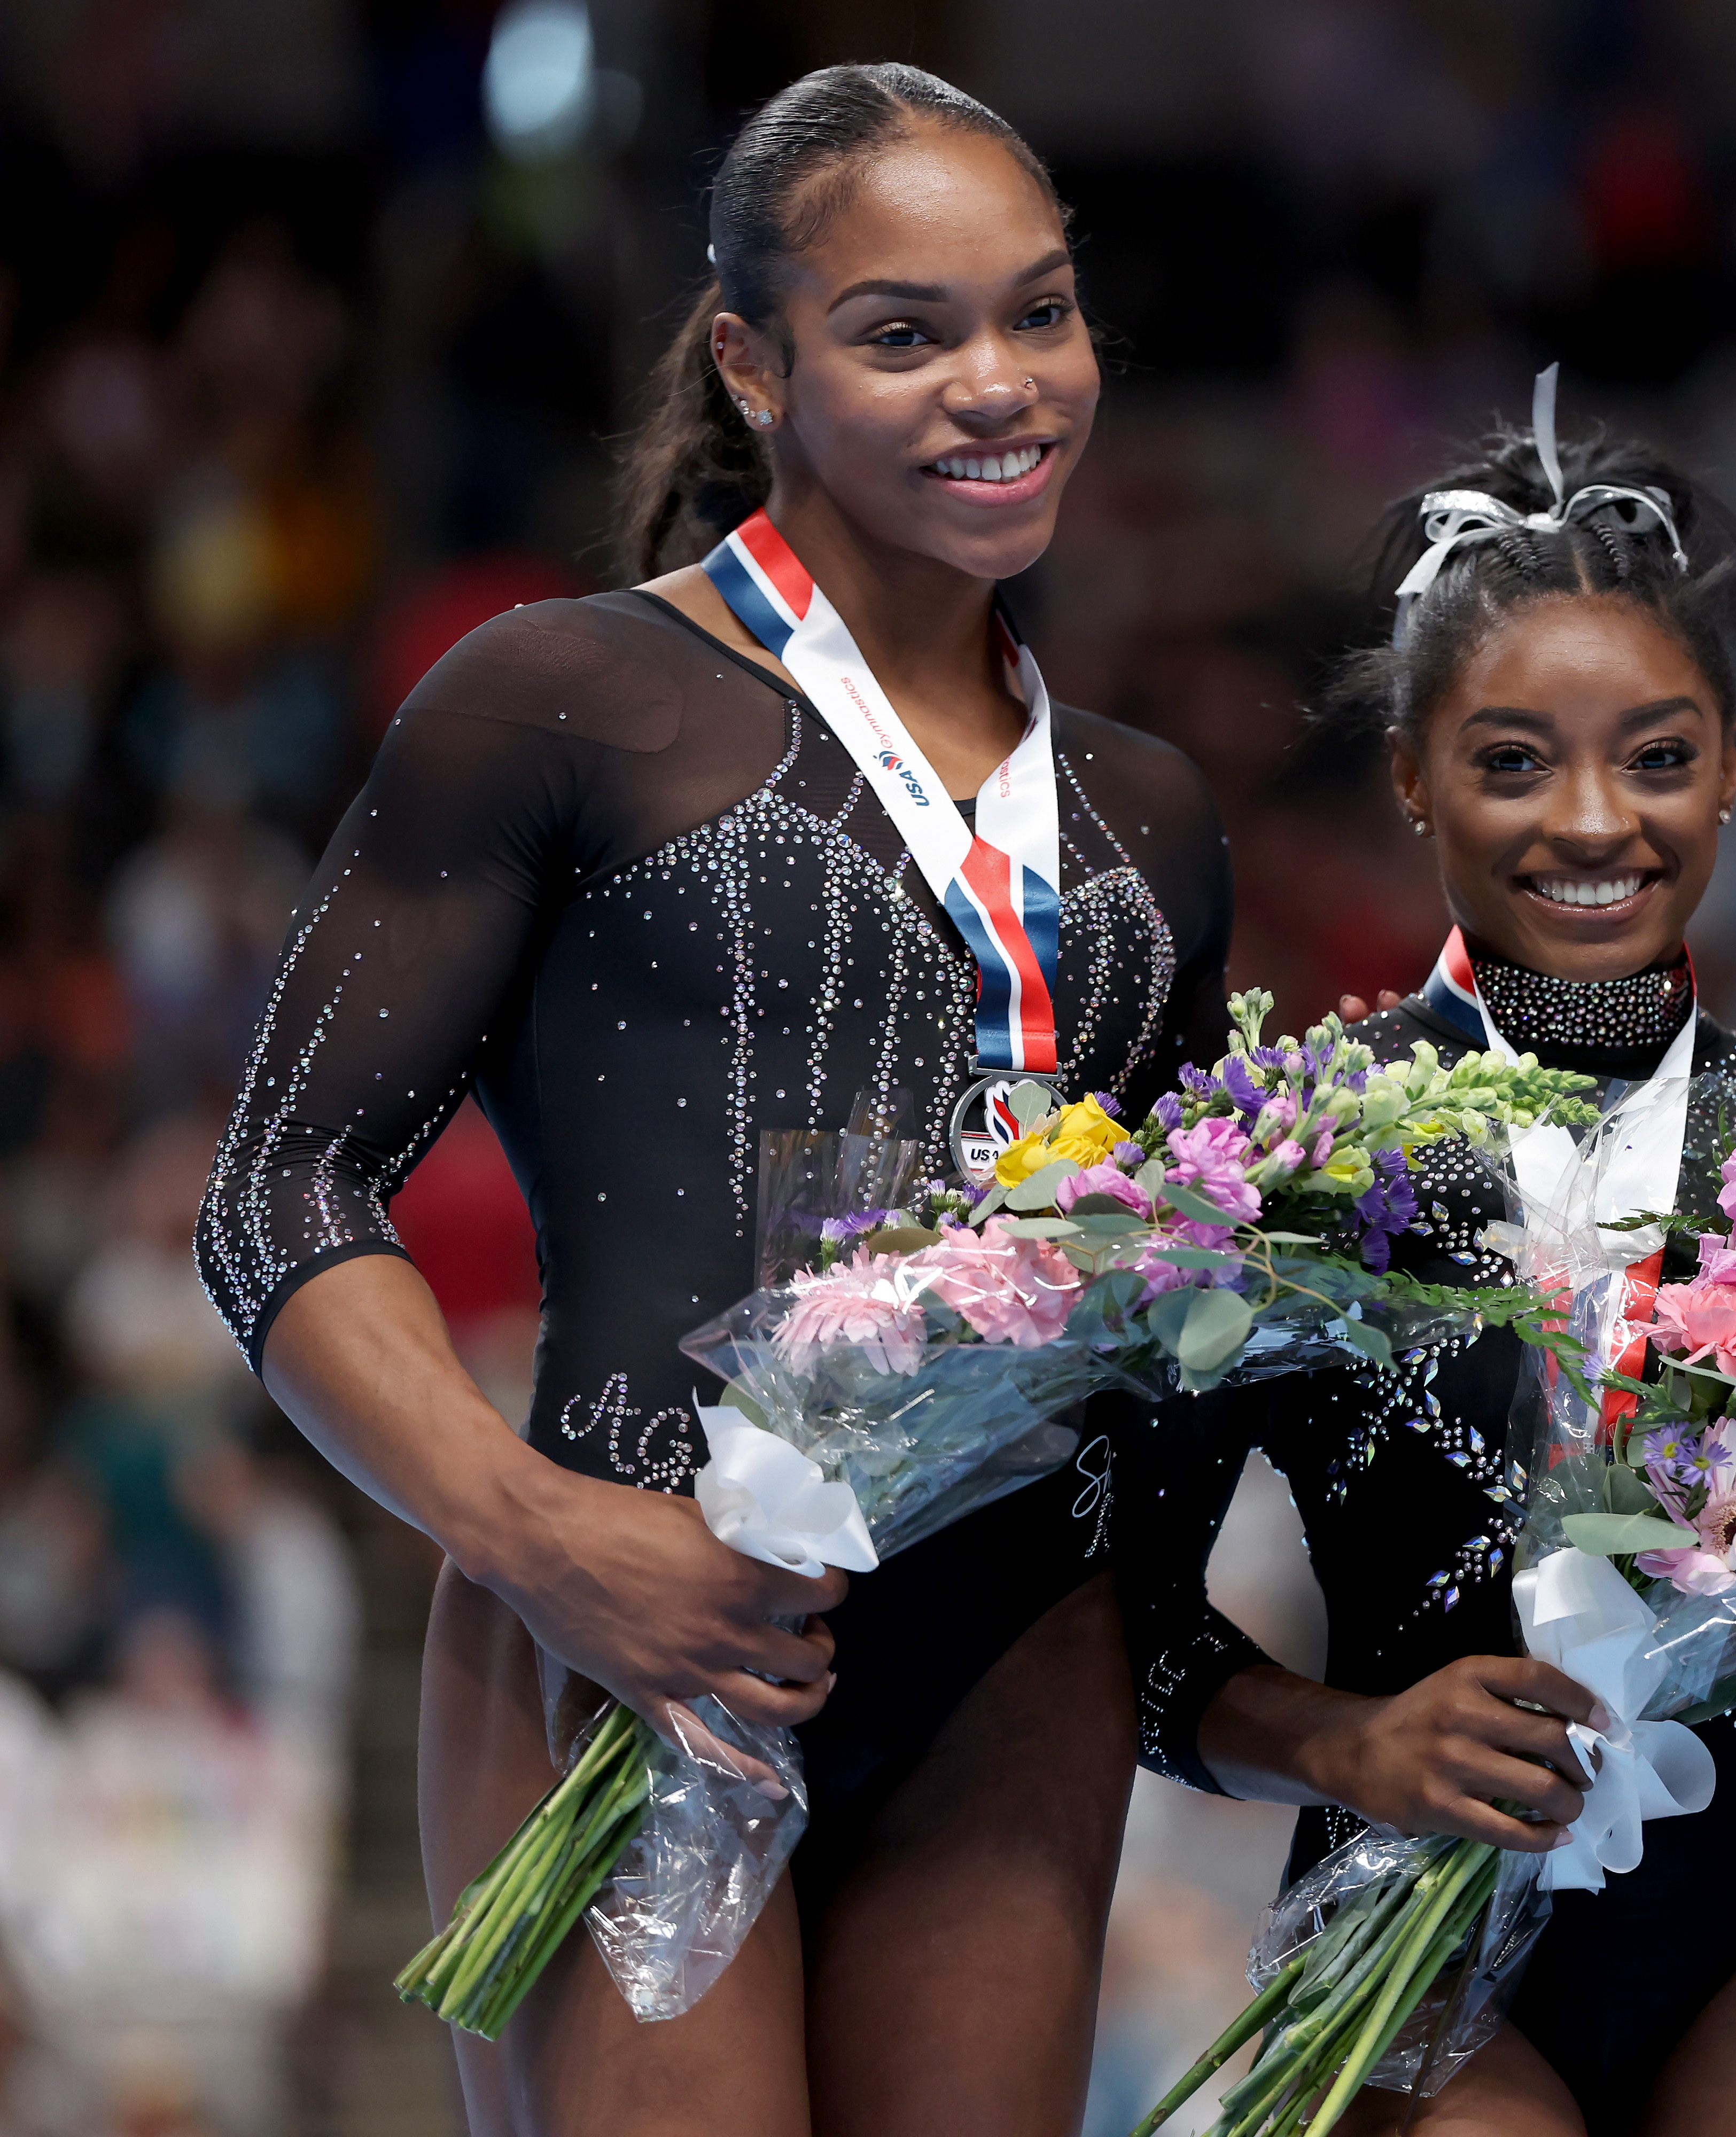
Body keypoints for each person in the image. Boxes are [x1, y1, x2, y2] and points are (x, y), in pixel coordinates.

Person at [192, 64, 1229, 2135]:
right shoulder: (563, 698)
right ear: (750, 360)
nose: (998, 382)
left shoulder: (1149, 816)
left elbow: (1175, 1341)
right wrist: (537, 1533)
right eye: (905, 331)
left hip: (1015, 1677)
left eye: (1041, 312)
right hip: (630, 1626)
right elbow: (279, 1191)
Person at [1121, 387, 1736, 2137]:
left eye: (1660, 757)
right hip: (1411, 1924)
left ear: (1734, 767)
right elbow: (1117, 1620)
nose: (1594, 821)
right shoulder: (1300, 1158)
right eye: (1513, 761)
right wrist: (1338, 1744)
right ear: (1410, 777)